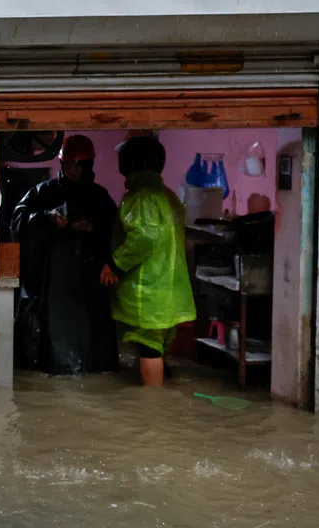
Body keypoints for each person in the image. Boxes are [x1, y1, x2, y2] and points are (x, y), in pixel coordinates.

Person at [11, 135, 119, 375]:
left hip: (90, 279)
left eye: (79, 165)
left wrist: (91, 228)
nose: (74, 171)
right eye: (69, 165)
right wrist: (45, 218)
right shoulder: (42, 193)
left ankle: (94, 369)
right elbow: (18, 225)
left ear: (89, 166)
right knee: (53, 336)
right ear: (61, 164)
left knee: (94, 340)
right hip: (52, 279)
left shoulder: (100, 197)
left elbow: (116, 232)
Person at [100, 136, 197, 387]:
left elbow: (144, 236)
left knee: (149, 349)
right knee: (159, 347)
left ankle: (151, 411)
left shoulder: (140, 198)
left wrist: (115, 264)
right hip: (172, 290)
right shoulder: (170, 196)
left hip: (149, 291)